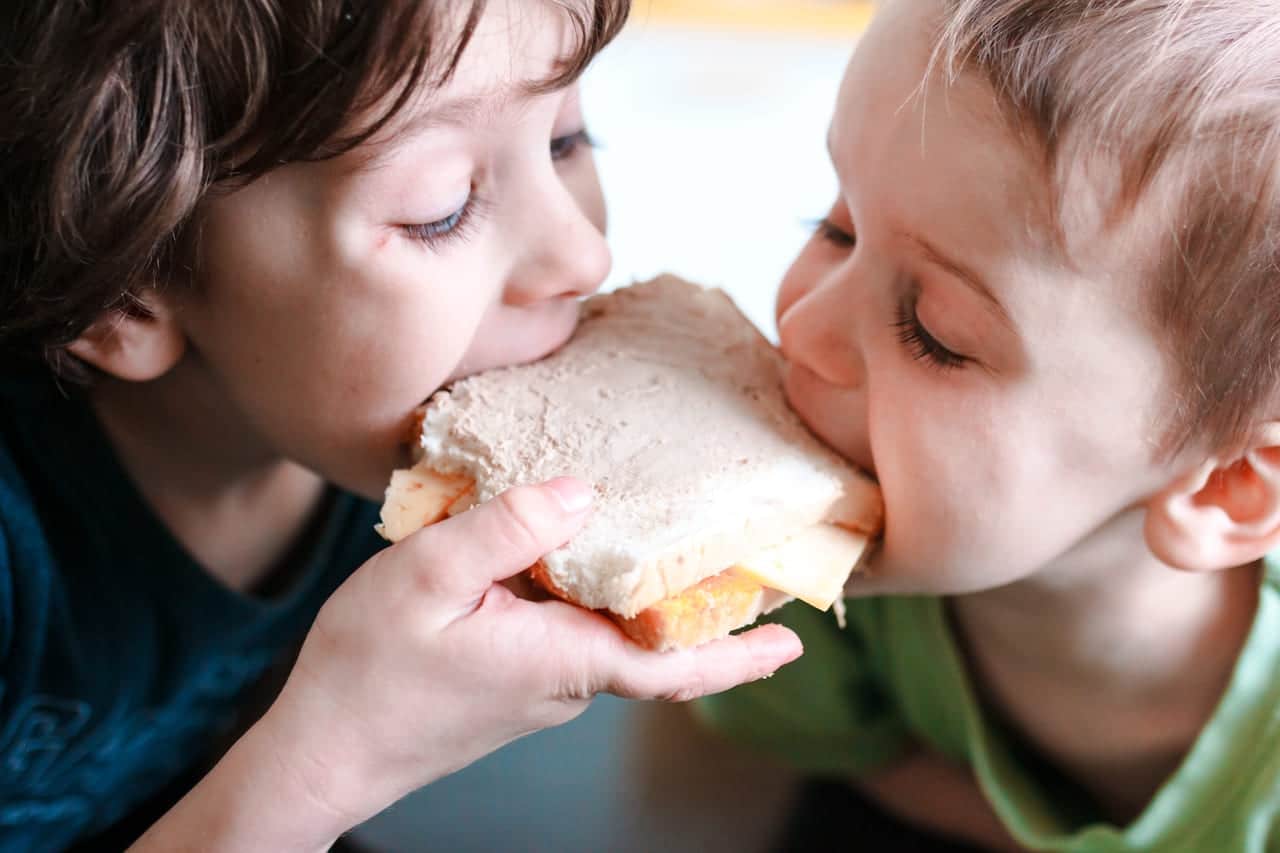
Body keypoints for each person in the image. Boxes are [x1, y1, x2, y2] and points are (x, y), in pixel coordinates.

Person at [0, 1, 804, 849]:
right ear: (126, 292)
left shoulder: (371, 451)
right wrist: (330, 761)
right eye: (442, 208)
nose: (583, 256)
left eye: (565, 136)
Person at [698, 1, 1280, 851]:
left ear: (1225, 487)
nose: (804, 330)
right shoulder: (801, 585)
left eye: (932, 332)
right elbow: (840, 748)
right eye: (837, 227)